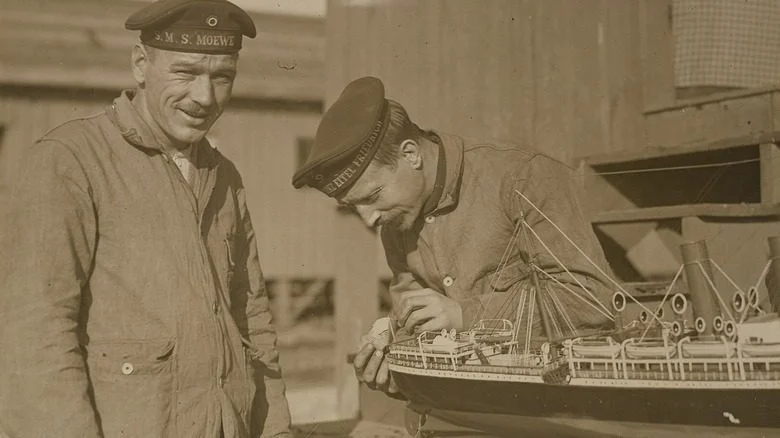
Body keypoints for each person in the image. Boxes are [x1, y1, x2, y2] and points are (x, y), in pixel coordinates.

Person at [0, 1, 292, 436]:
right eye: (185, 72)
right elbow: (36, 335)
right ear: (141, 65)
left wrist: (277, 430)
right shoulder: (71, 160)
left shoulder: (224, 175)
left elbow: (252, 318)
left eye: (222, 76)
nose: (204, 97)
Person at [291, 76, 615, 395]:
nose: (370, 218)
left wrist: (465, 316)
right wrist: (397, 362)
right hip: (463, 411)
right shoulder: (398, 217)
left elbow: (589, 300)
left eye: (373, 196)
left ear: (410, 155)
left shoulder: (523, 176)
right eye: (352, 207)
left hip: (550, 404)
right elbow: (413, 321)